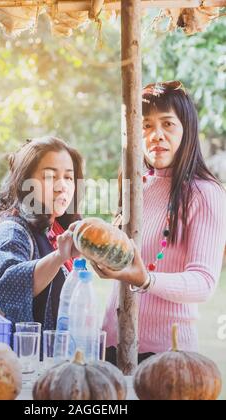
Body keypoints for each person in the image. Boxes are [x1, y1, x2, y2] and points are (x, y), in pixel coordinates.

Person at [92, 81, 226, 365]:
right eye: (146, 125)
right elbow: (125, 261)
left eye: (167, 124)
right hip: (112, 346)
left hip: (166, 356)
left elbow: (203, 282)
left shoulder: (205, 193)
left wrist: (146, 280)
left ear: (186, 130)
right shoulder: (135, 184)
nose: (156, 135)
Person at [0, 137, 84, 330]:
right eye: (50, 176)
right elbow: (3, 290)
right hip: (21, 357)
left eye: (69, 177)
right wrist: (59, 256)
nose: (63, 186)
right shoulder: (12, 231)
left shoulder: (56, 231)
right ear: (25, 183)